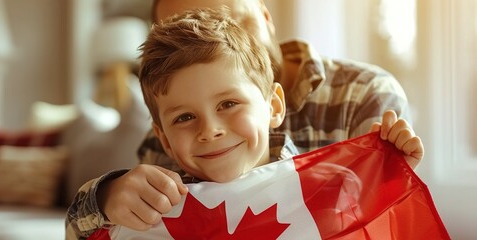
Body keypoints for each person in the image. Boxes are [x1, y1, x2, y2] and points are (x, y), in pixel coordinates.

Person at [65, 8, 423, 239]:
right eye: (185, 117)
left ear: (274, 106)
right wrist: (106, 196)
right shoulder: (167, 171)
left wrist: (389, 174)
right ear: (164, 138)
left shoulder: (336, 174)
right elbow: (90, 229)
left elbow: (378, 225)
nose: (210, 131)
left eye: (228, 104)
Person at [138, 0, 413, 175]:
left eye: (228, 23)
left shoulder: (364, 93)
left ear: (265, 15)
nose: (208, 53)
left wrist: (389, 180)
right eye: (182, 33)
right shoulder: (171, 131)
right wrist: (102, 196)